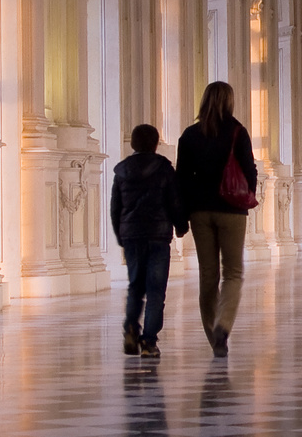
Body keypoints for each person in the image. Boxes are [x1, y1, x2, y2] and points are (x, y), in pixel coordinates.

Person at [177, 82, 257, 357]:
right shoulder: (237, 132)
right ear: (229, 102)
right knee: (233, 272)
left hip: (200, 210)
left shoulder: (189, 135)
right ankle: (223, 325)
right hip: (231, 209)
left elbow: (182, 179)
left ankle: (214, 338)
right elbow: (249, 169)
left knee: (208, 275)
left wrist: (182, 215)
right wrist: (248, 194)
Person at [110, 124, 185, 359]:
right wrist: (181, 225)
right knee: (156, 290)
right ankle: (149, 341)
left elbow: (115, 208)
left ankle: (131, 327)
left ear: (132, 144)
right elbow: (174, 200)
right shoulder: (164, 168)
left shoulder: (122, 171)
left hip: (132, 236)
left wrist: (121, 235)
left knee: (135, 286)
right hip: (158, 235)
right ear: (155, 144)